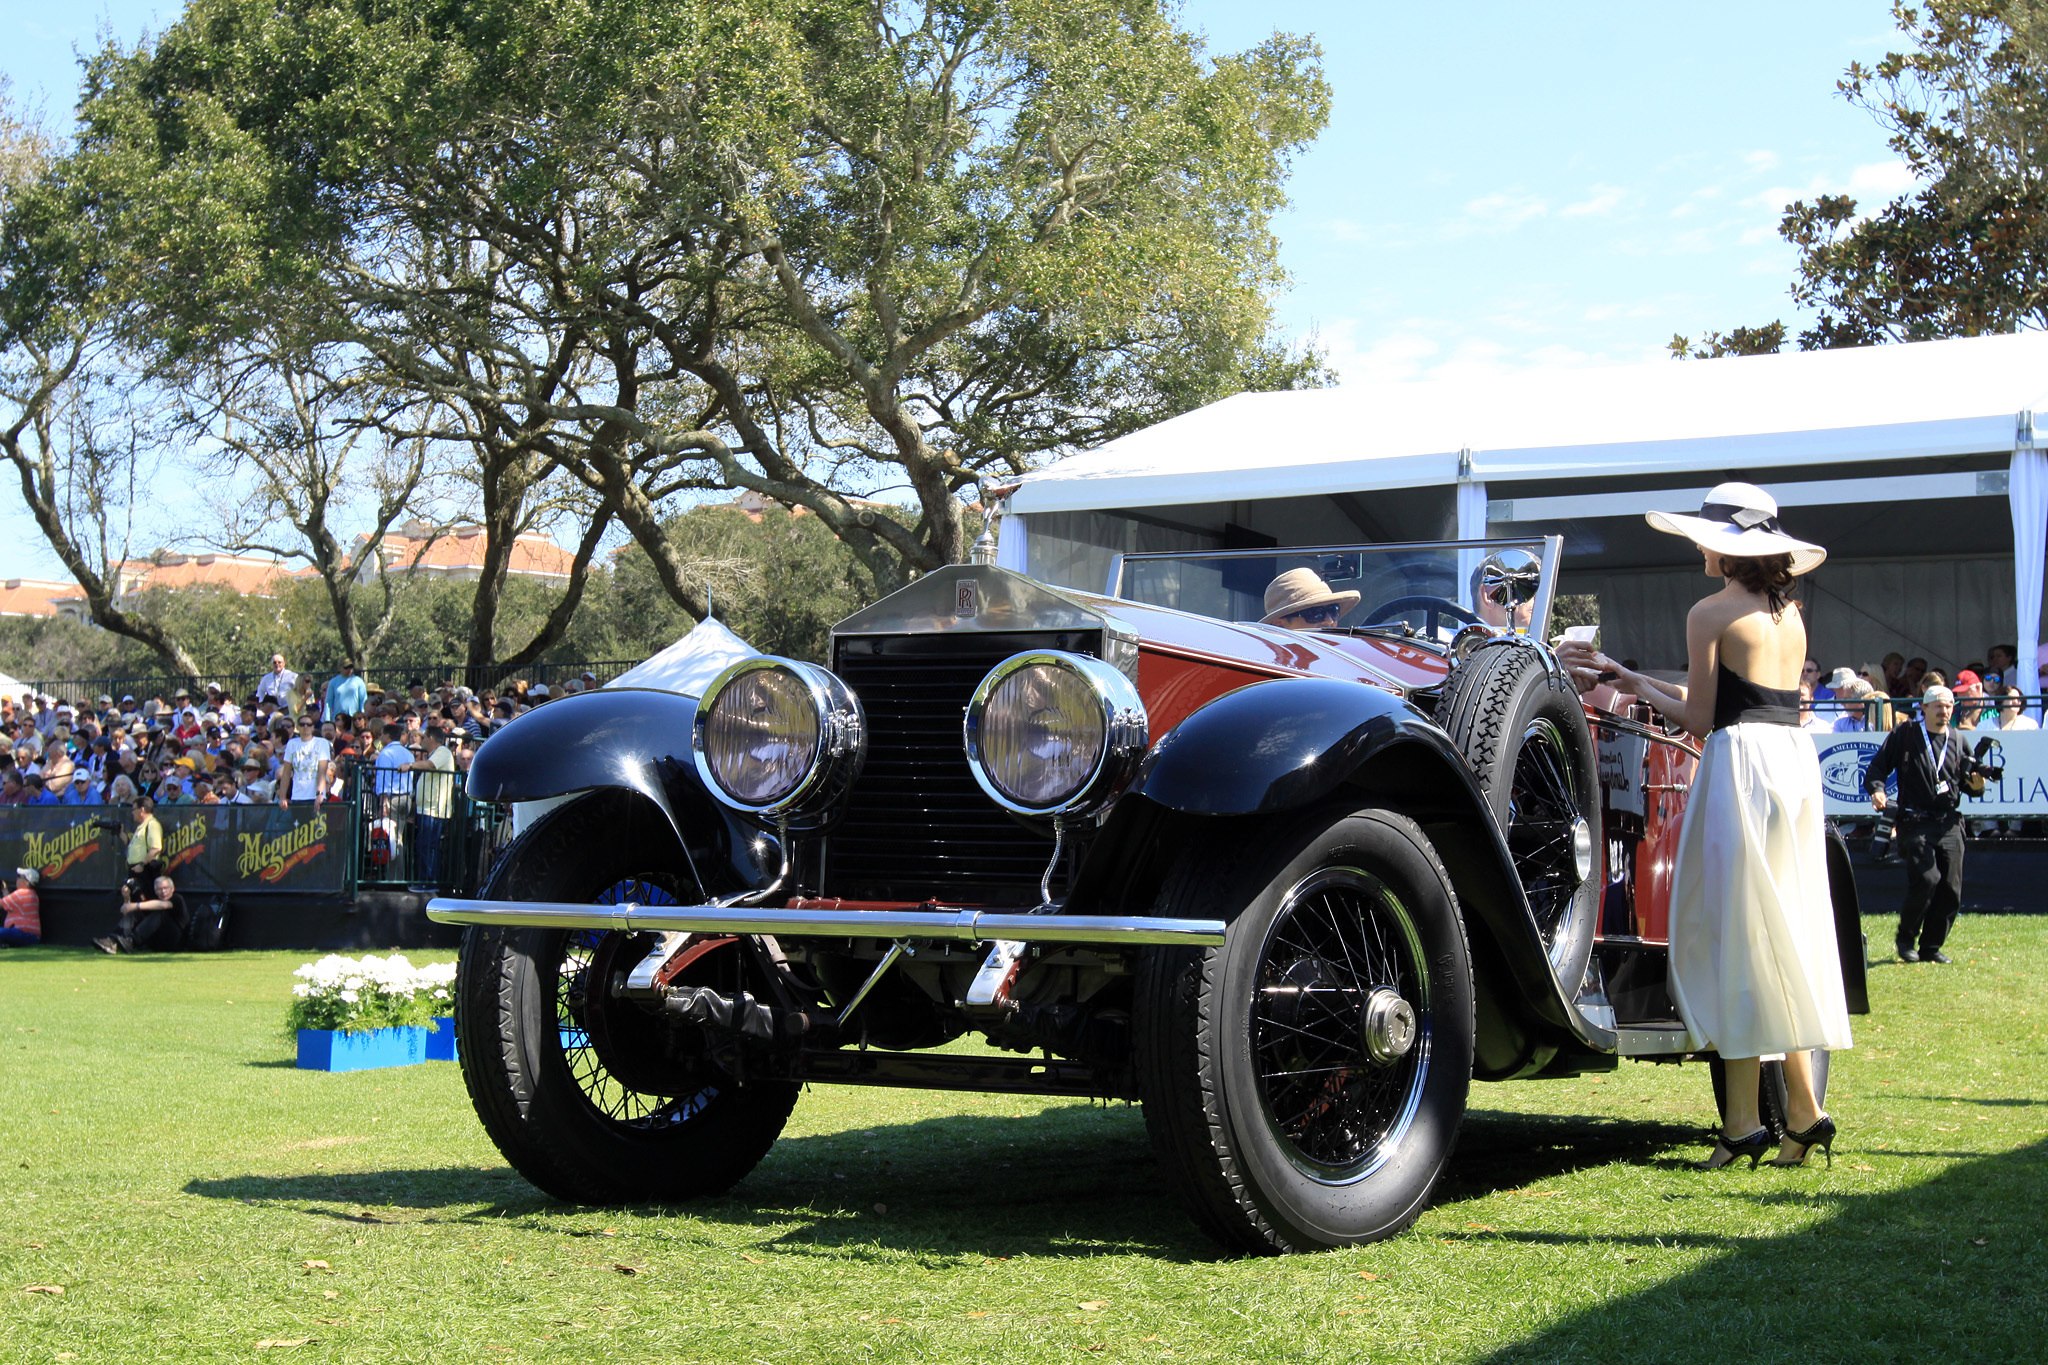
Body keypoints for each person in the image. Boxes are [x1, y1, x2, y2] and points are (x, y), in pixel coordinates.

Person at [1594, 483, 1851, 1169]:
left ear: (1725, 547)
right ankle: (1799, 1111)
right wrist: (1630, 675)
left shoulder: (1708, 611)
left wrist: (1636, 686)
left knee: (1738, 938)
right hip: (1792, 767)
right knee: (1776, 937)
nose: (1698, 547)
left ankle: (1745, 1122)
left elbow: (1703, 720)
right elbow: (1744, 700)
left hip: (1739, 768)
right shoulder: (1787, 614)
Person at [1863, 685, 1971, 965]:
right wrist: (1877, 789)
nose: (1944, 710)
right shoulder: (1907, 733)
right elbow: (1878, 767)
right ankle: (1906, 938)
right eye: (1938, 705)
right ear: (1924, 707)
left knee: (1950, 887)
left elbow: (1972, 785)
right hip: (1915, 819)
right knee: (1926, 878)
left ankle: (1931, 947)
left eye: (1948, 706)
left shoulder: (1958, 739)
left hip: (1948, 821)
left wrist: (1978, 782)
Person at [410, 725, 457, 887]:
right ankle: (425, 881)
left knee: (428, 846)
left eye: (423, 737)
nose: (421, 741)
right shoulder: (436, 754)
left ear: (430, 738)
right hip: (427, 810)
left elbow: (429, 765)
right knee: (424, 845)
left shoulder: (443, 752)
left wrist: (410, 765)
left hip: (435, 810)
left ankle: (429, 882)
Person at [95, 875, 187, 955]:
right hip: (155, 941)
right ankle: (112, 941)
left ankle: (131, 941)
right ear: (155, 890)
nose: (163, 892)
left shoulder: (177, 898)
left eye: (166, 888)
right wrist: (127, 899)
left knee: (160, 913)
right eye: (160, 889)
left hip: (174, 941)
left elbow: (164, 905)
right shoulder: (153, 901)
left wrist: (135, 905)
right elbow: (126, 912)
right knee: (136, 913)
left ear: (172, 889)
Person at [1258, 567, 1361, 630]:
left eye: (1334, 610)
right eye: (1315, 613)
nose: (1329, 621)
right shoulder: (1263, 664)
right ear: (1280, 625)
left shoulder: (1347, 662)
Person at [278, 714, 334, 808]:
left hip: (316, 797)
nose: (305, 727)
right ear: (297, 727)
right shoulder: (292, 744)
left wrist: (320, 794)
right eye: (302, 724)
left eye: (308, 724)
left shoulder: (322, 743)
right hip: (297, 796)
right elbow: (286, 773)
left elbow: (322, 771)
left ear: (313, 727)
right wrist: (282, 797)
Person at [125, 795, 165, 883]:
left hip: (145, 869)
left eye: (134, 809)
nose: (132, 812)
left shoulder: (152, 824)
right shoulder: (141, 826)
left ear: (142, 810)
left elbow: (156, 848)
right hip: (136, 868)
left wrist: (142, 864)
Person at [0, 867, 40, 947]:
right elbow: (9, 904)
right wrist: (4, 890)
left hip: (23, 934)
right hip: (31, 937)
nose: (17, 879)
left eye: (19, 877)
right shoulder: (31, 894)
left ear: (25, 882)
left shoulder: (21, 894)